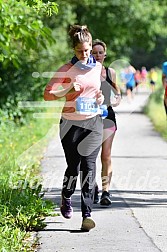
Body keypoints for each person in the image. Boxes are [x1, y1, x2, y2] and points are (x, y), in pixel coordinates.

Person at [44, 25, 104, 231]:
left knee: (89, 167)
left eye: (87, 51)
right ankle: (66, 195)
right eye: (80, 51)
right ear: (74, 49)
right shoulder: (65, 69)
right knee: (74, 167)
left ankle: (87, 214)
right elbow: (48, 94)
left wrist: (100, 98)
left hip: (93, 122)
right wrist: (68, 90)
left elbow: (98, 93)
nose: (85, 55)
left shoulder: (97, 68)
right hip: (70, 124)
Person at [91, 39, 121, 205]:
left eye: (100, 52)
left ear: (105, 54)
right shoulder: (86, 72)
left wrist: (116, 99)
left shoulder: (110, 72)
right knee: (91, 156)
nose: (97, 55)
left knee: (106, 155)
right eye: (94, 53)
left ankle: (106, 192)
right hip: (90, 118)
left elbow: (117, 91)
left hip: (108, 116)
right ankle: (93, 186)